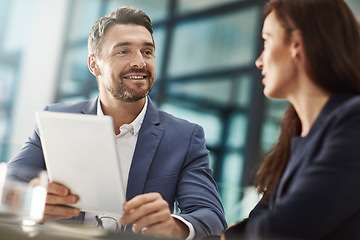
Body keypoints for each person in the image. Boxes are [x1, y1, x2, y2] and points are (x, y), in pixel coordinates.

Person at [7, 7, 227, 239]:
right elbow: (9, 187)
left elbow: (211, 216)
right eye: (123, 51)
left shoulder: (184, 137)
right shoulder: (55, 120)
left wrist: (174, 226)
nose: (140, 62)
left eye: (147, 51)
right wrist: (32, 201)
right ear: (94, 65)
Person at [222, 0, 360, 239]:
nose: (259, 61)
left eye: (267, 40)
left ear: (296, 44)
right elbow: (260, 221)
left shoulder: (354, 120)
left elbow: (279, 230)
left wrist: (241, 232)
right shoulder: (297, 136)